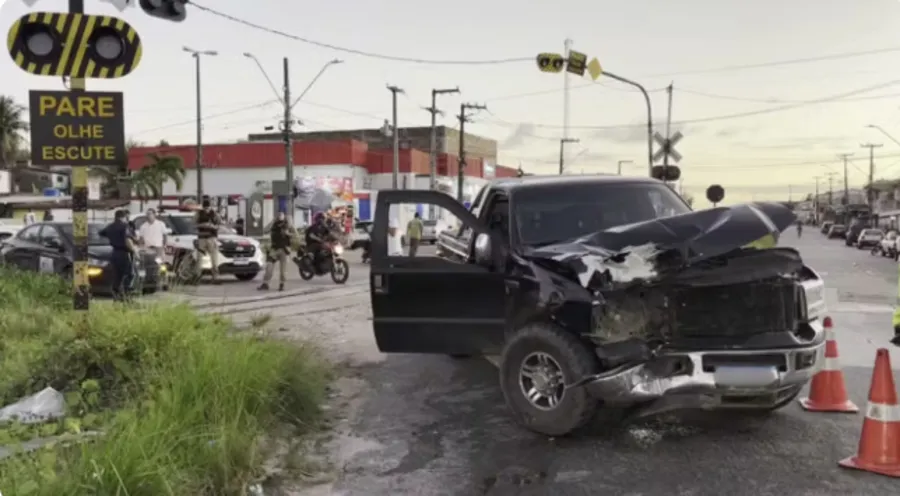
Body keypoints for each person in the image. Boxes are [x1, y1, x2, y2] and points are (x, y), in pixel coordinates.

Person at [99, 210, 138, 302]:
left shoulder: (110, 226)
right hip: (124, 253)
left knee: (117, 276)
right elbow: (127, 240)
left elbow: (101, 233)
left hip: (114, 253)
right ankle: (126, 296)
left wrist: (112, 238)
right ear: (123, 217)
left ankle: (116, 296)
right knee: (130, 274)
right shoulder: (125, 226)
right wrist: (134, 250)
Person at [259, 211, 292, 291]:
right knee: (269, 266)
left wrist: (288, 233)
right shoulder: (274, 225)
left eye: (281, 214)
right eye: (278, 215)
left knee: (283, 270)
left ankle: (282, 284)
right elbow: (265, 230)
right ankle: (265, 283)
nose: (279, 216)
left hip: (284, 250)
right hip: (274, 249)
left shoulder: (287, 225)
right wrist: (272, 221)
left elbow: (294, 235)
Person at [196, 199, 221, 284]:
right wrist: (203, 225)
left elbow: (219, 225)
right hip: (202, 238)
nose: (206, 209)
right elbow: (193, 225)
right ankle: (197, 277)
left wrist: (212, 226)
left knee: (214, 259)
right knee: (199, 260)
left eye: (208, 208)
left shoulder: (215, 214)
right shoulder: (198, 214)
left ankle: (215, 278)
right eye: (205, 208)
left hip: (212, 238)